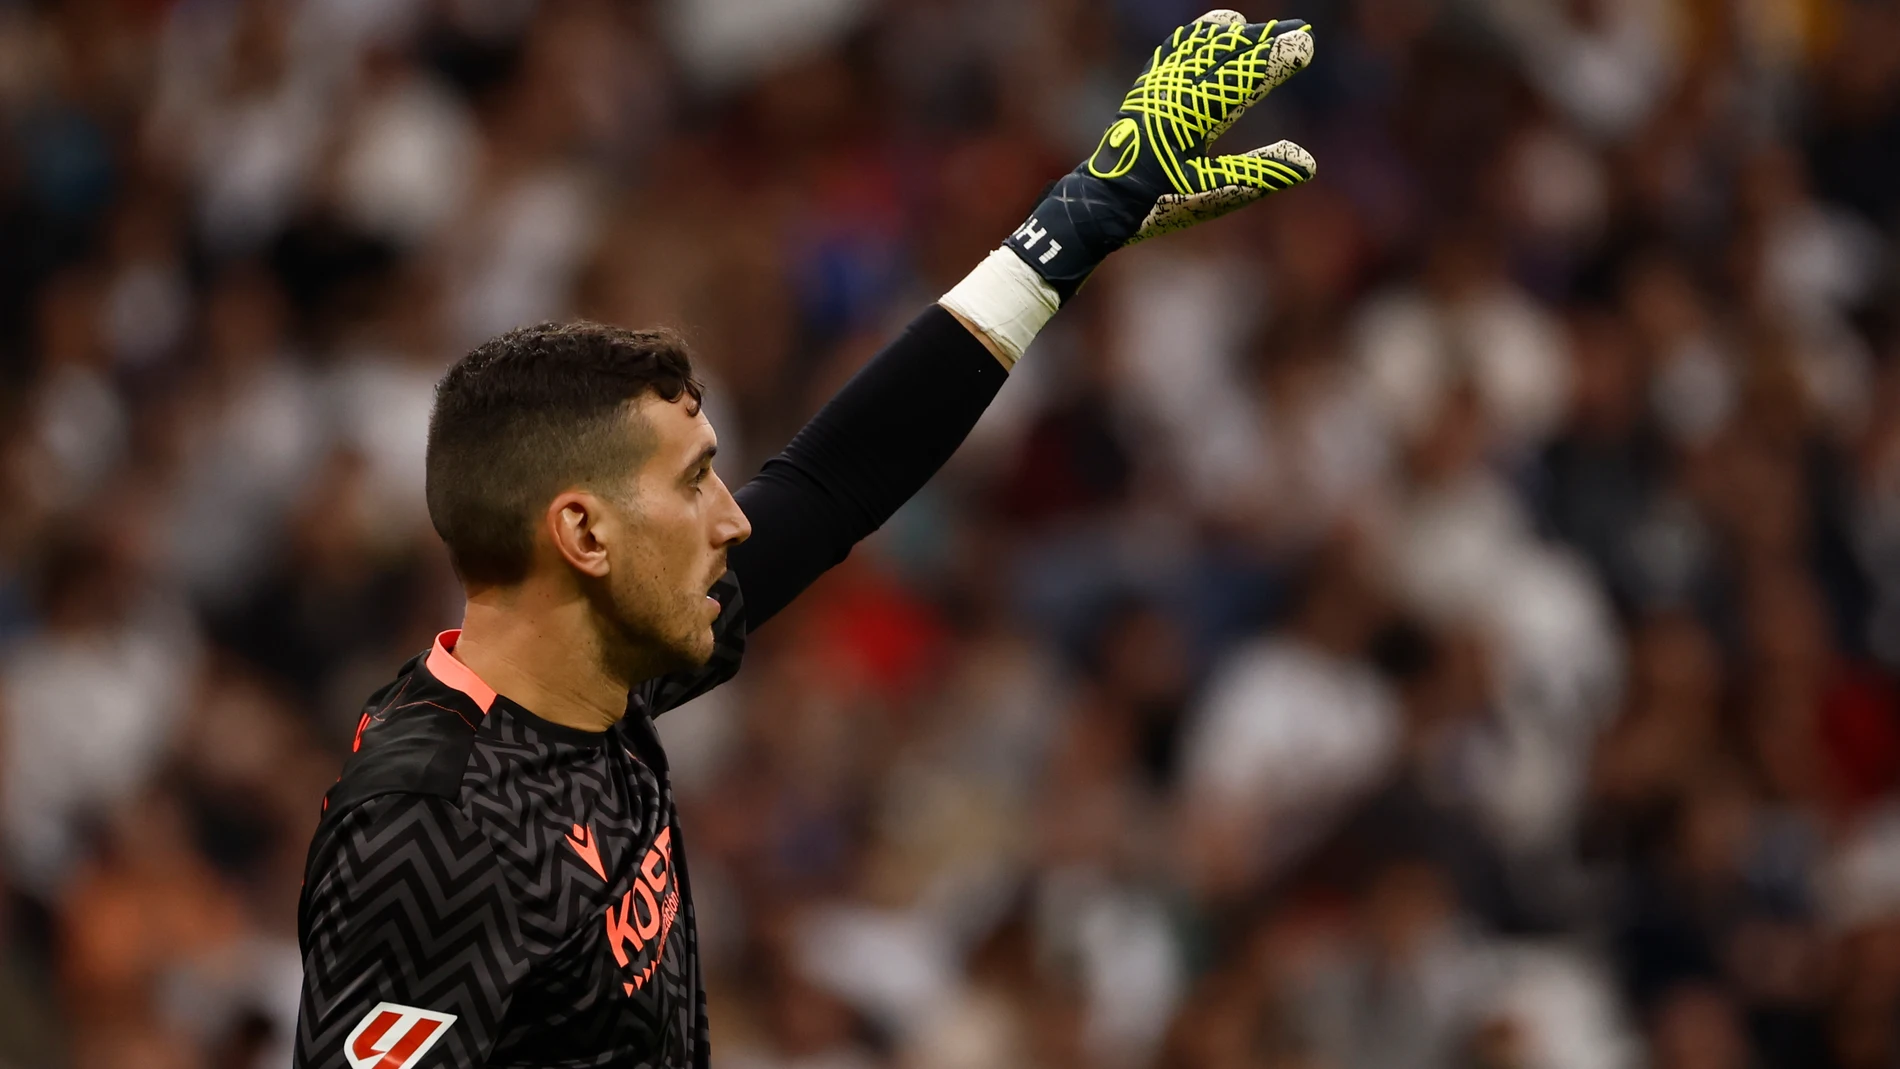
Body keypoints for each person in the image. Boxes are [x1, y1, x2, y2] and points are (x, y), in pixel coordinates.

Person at [293, 11, 1317, 1067]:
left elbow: (831, 483)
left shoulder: (598, 675)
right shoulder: (433, 824)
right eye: (695, 485)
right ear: (584, 532)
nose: (733, 517)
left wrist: (1066, 231)